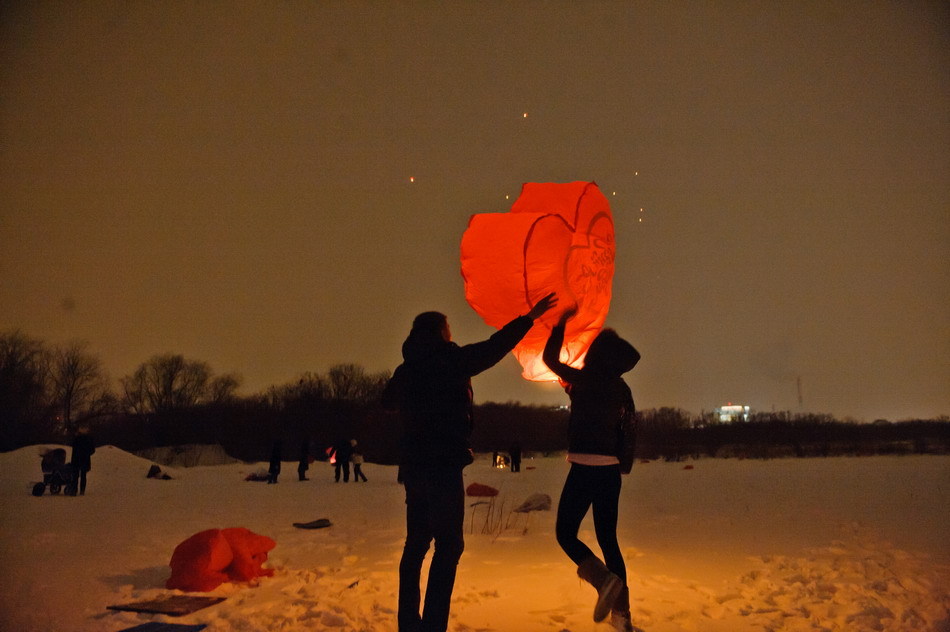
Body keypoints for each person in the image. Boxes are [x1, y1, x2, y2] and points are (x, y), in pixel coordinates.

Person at [383, 292, 557, 632]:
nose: (451, 331)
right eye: (447, 326)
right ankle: (433, 625)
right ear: (439, 331)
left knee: (416, 544)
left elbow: (388, 401)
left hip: (415, 467)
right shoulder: (451, 360)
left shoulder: (407, 369)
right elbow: (495, 347)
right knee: (449, 545)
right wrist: (529, 317)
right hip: (443, 465)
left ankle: (408, 623)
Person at [542, 307, 640, 631]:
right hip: (609, 471)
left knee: (565, 533)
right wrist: (622, 463)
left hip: (583, 468)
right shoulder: (620, 388)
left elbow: (550, 359)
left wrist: (560, 324)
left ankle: (602, 581)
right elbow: (630, 427)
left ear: (595, 353)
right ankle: (622, 616)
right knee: (608, 539)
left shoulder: (581, 380)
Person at [70, 428, 96, 495]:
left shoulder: (76, 438)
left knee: (75, 475)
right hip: (85, 459)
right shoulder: (88, 439)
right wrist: (87, 454)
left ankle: (74, 490)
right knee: (83, 475)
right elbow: (92, 450)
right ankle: (82, 490)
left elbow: (72, 446)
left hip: (76, 459)